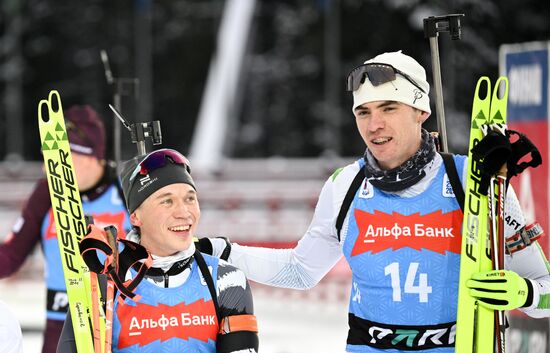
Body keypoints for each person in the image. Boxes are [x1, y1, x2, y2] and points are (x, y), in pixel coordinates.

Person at [206, 51, 550, 352]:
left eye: (389, 108)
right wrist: (220, 252)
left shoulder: (475, 181)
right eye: (363, 112)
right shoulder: (345, 186)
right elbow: (300, 271)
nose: (375, 125)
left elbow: (545, 294)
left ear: (421, 111)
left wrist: (524, 293)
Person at [56, 148, 259, 353]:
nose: (183, 212)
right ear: (135, 217)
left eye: (190, 198)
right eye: (167, 201)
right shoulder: (102, 284)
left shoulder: (226, 280)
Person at [0, 105, 132, 353]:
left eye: (60, 160)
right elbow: (10, 256)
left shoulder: (125, 190)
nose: (47, 169)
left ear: (92, 156)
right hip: (60, 329)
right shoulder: (46, 193)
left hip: (120, 325)